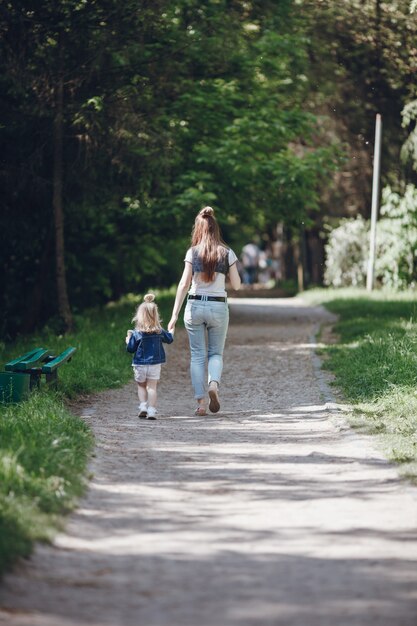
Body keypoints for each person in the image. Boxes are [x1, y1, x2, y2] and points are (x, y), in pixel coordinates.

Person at [168, 206, 241, 416]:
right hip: (218, 306)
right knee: (215, 353)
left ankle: (201, 403)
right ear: (215, 228)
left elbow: (183, 284)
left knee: (197, 356)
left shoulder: (192, 252)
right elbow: (236, 285)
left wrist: (174, 316)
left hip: (194, 305)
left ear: (198, 229)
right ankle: (214, 385)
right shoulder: (227, 252)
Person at [126, 293, 174, 420]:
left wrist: (128, 340)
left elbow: (130, 349)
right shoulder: (159, 331)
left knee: (141, 386)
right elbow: (169, 339)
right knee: (152, 387)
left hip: (140, 364)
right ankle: (151, 410)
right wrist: (171, 331)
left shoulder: (137, 333)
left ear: (139, 316)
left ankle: (143, 406)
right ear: (155, 315)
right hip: (154, 364)